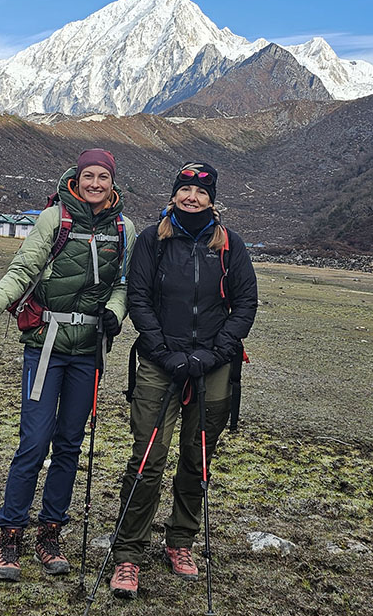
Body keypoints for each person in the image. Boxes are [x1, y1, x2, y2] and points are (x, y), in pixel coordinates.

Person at [0, 149, 135, 581]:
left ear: (112, 183)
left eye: (103, 177)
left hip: (88, 352)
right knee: (34, 442)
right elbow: (24, 269)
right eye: (88, 176)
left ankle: (50, 533)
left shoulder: (124, 228)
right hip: (45, 345)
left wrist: (116, 312)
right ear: (76, 178)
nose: (95, 184)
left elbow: (124, 283)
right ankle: (10, 536)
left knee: (70, 445)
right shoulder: (54, 219)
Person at [108, 161, 257, 599]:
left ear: (212, 199)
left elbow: (245, 304)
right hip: (161, 363)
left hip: (213, 366)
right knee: (147, 459)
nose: (192, 197)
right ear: (174, 194)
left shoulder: (230, 245)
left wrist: (213, 353)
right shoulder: (151, 240)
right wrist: (164, 352)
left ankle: (181, 541)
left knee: (198, 457)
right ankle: (128, 553)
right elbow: (138, 298)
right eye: (185, 190)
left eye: (201, 192)